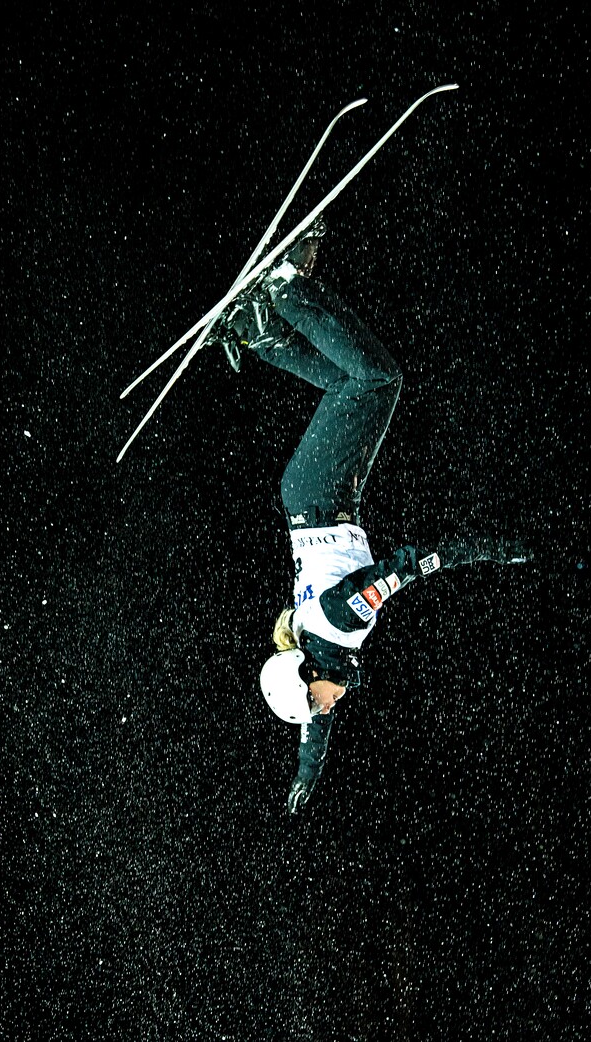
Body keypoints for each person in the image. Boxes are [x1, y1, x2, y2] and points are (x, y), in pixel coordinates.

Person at [220, 220, 532, 814]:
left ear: (310, 675)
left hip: (321, 493)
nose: (325, 710)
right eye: (317, 710)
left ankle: (285, 287)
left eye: (317, 702)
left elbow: (406, 566)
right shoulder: (320, 647)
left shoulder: (341, 622)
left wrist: (486, 551)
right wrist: (305, 774)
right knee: (346, 384)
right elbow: (313, 730)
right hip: (321, 498)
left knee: (379, 381)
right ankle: (257, 329)